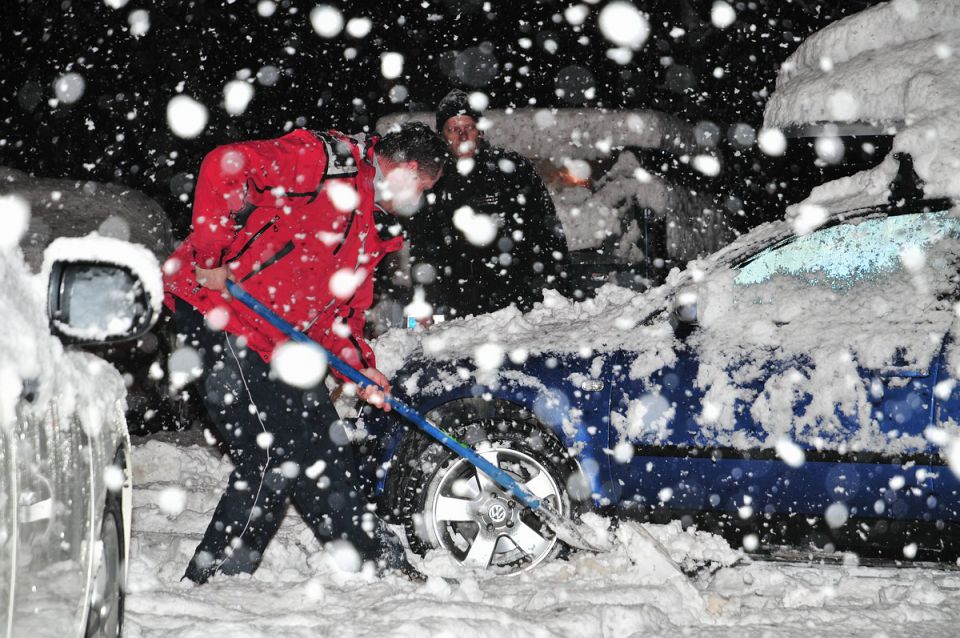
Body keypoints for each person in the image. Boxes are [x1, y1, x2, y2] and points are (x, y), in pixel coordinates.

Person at [162, 123, 448, 584]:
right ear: (409, 170)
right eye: (423, 188)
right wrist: (210, 258)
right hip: (219, 310)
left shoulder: (369, 228)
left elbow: (342, 318)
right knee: (271, 452)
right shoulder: (324, 161)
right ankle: (216, 578)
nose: (419, 201)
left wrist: (363, 370)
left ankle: (371, 561)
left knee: (325, 447)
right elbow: (223, 165)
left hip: (280, 339)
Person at [405, 89, 570, 319]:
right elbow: (423, 248)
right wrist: (422, 303)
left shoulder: (512, 170)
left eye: (468, 128)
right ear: (442, 135)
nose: (462, 136)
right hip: (459, 311)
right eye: (453, 129)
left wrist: (559, 291)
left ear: (480, 130)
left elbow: (548, 233)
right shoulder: (433, 180)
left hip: (518, 308)